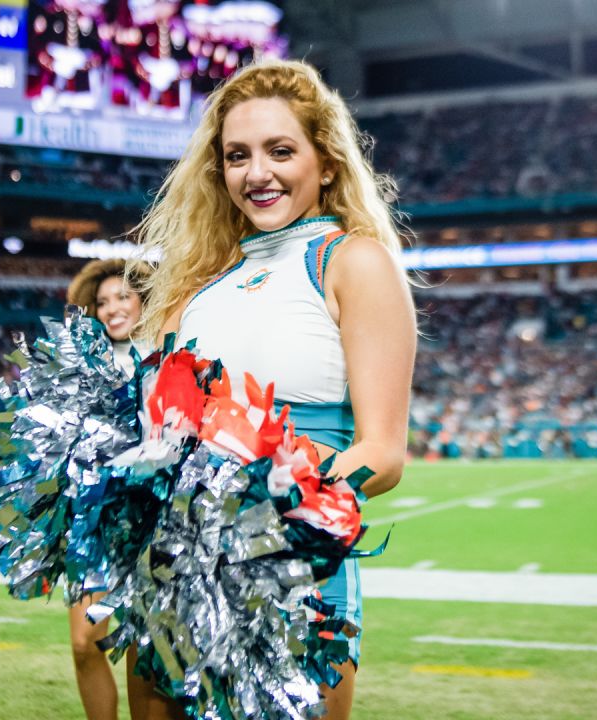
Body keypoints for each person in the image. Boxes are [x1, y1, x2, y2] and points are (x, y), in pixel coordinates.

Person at [131, 59, 416, 719]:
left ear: (327, 163)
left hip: (293, 575)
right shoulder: (193, 288)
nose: (257, 173)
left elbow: (384, 451)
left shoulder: (352, 262)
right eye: (237, 156)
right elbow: (155, 434)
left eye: (280, 151)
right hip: (177, 573)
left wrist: (263, 511)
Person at [63, 259, 150, 720]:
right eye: (101, 302)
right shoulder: (81, 362)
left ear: (144, 299)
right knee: (84, 642)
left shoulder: (168, 351)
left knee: (141, 639)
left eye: (122, 297)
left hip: (152, 516)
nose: (112, 308)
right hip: (92, 515)